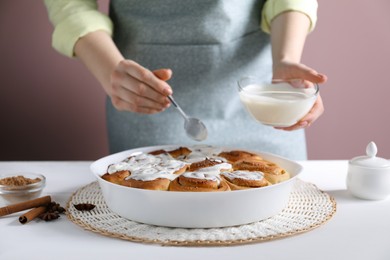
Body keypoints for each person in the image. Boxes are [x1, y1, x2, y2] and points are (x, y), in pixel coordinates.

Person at [44, 0, 327, 160]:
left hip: (258, 104)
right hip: (145, 102)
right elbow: (71, 6)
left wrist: (286, 60)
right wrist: (110, 71)